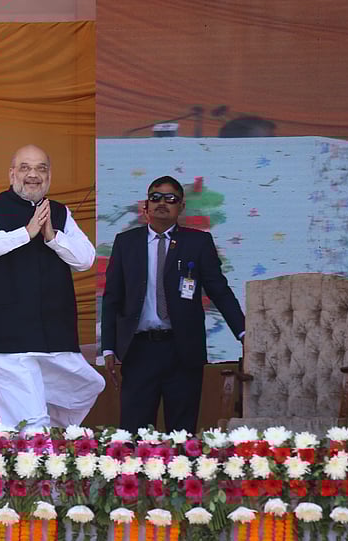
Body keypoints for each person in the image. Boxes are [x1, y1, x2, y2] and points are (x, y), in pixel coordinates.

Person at [0, 144, 104, 429]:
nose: (33, 175)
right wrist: (25, 234)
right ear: (12, 173)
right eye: (25, 168)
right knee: (31, 422)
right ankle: (36, 457)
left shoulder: (60, 213)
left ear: (49, 176)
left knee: (89, 385)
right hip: (8, 337)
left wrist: (52, 237)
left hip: (54, 334)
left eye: (41, 168)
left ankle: (38, 447)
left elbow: (86, 259)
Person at [100, 176, 245, 433]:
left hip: (183, 351)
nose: (161, 203)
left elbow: (219, 291)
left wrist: (244, 333)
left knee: (181, 433)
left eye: (170, 199)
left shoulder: (197, 243)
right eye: (155, 197)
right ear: (145, 205)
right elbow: (112, 297)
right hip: (139, 351)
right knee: (134, 434)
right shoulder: (126, 243)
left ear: (182, 206)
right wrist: (109, 347)